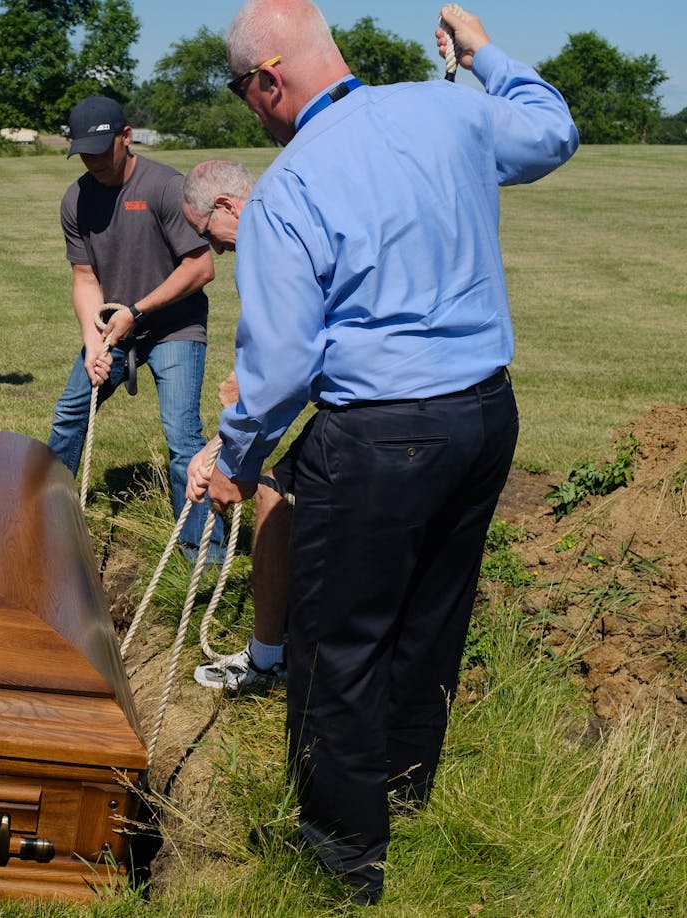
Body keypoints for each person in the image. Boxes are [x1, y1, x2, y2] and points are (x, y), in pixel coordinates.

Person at [186, 1, 577, 903]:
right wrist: (484, 54)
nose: (250, 108)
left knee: (336, 642)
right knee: (431, 619)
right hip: (485, 418)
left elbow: (281, 363)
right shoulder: (450, 109)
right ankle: (405, 794)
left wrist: (237, 457)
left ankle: (342, 859)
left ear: (270, 79)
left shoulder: (290, 187)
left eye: (246, 91)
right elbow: (553, 131)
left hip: (377, 437)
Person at [47, 95, 219, 564]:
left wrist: (138, 312)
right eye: (84, 153)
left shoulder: (165, 186)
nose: (94, 161)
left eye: (102, 150)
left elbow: (200, 267)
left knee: (183, 437)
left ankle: (204, 554)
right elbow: (84, 278)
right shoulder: (76, 199)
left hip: (174, 328)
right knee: (69, 414)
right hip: (111, 330)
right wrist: (91, 341)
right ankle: (47, 521)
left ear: (127, 136)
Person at [178, 159, 291, 697]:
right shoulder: (290, 216)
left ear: (226, 206)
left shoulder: (268, 246)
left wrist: (232, 457)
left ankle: (271, 661)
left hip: (374, 403)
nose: (215, 249)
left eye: (208, 234)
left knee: (272, 490)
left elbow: (287, 361)